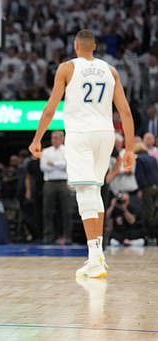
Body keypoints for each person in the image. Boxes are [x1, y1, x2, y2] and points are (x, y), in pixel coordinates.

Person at [29, 29, 135, 279]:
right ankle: (96, 256)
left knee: (86, 192)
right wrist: (129, 148)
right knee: (95, 190)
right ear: (94, 46)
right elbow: (126, 113)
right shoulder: (111, 70)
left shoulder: (67, 68)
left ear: (76, 46)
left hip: (80, 134)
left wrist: (36, 139)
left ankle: (95, 257)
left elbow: (50, 108)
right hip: (106, 134)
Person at [40, 130, 73, 244]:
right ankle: (48, 236)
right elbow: (43, 167)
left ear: (62, 139)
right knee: (47, 210)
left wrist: (53, 164)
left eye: (56, 138)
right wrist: (59, 164)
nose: (54, 140)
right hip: (50, 182)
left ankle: (67, 236)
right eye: (53, 138)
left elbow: (68, 165)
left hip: (64, 181)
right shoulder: (46, 151)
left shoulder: (67, 150)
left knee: (66, 210)